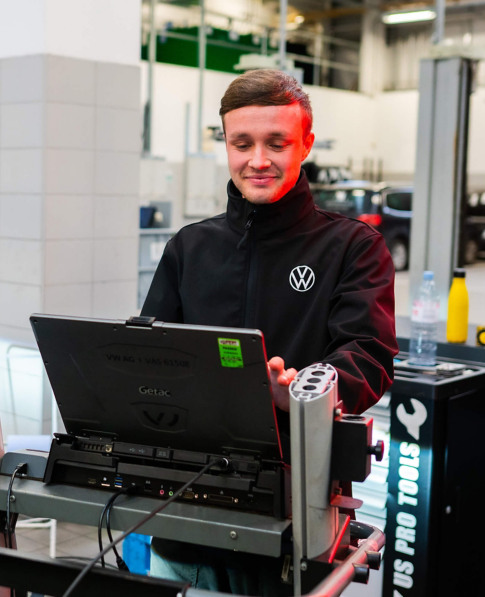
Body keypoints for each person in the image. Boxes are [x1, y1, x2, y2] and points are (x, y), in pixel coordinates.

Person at [141, 69, 398, 594]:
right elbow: (152, 351)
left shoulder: (352, 248)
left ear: (304, 144)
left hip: (296, 512)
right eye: (243, 143)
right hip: (187, 510)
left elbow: (369, 353)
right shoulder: (190, 249)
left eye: (276, 142)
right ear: (227, 145)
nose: (258, 160)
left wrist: (305, 394)